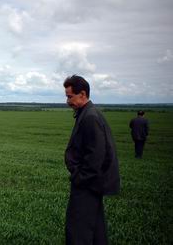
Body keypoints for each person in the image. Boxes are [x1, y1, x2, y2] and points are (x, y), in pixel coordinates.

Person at [63, 75, 120, 245]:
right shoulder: (87, 113)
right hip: (93, 182)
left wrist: (79, 178)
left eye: (69, 96)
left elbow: (96, 156)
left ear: (82, 94)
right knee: (95, 227)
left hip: (88, 183)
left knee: (78, 228)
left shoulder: (90, 117)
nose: (67, 101)